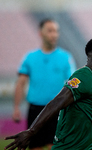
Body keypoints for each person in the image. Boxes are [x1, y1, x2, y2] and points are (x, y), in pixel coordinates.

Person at [12, 19, 76, 150]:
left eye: (56, 31)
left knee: (57, 146)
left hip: (57, 109)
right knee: (35, 146)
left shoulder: (66, 57)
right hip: (35, 109)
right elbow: (20, 83)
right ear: (40, 33)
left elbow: (73, 83)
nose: (54, 34)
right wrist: (16, 107)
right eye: (50, 30)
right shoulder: (29, 57)